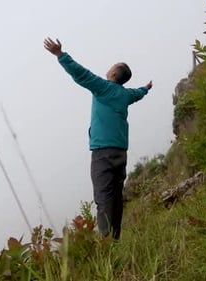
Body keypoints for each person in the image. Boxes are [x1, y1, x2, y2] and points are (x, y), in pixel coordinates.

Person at [44, 38, 152, 240]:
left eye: (112, 66)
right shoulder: (126, 95)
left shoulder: (103, 87)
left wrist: (60, 55)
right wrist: (146, 88)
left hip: (103, 153)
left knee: (103, 197)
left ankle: (105, 243)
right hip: (121, 152)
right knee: (116, 196)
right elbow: (138, 94)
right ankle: (115, 237)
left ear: (113, 73)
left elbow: (81, 74)